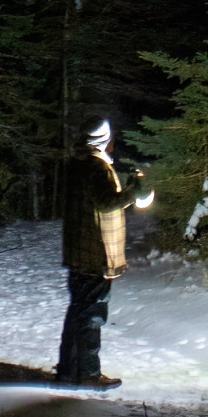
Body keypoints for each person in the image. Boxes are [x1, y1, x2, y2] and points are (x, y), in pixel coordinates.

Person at [55, 113, 154, 388]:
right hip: (95, 253)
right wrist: (133, 194)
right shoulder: (97, 166)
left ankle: (68, 371)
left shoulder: (77, 164)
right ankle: (87, 375)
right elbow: (104, 202)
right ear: (103, 140)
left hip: (79, 251)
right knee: (92, 315)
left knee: (78, 311)